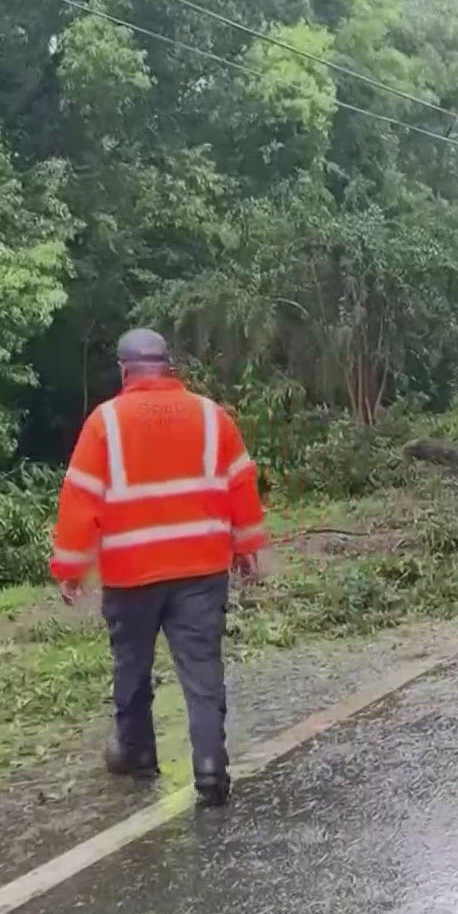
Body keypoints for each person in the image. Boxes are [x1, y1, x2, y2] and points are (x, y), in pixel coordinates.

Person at [48, 329, 266, 807]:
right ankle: (210, 767)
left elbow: (81, 498)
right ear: (168, 366)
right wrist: (246, 545)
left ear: (125, 371)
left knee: (132, 666)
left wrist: (71, 566)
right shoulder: (211, 416)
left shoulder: (106, 422)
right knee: (202, 668)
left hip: (132, 572)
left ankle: (137, 753)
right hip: (202, 568)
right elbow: (241, 482)